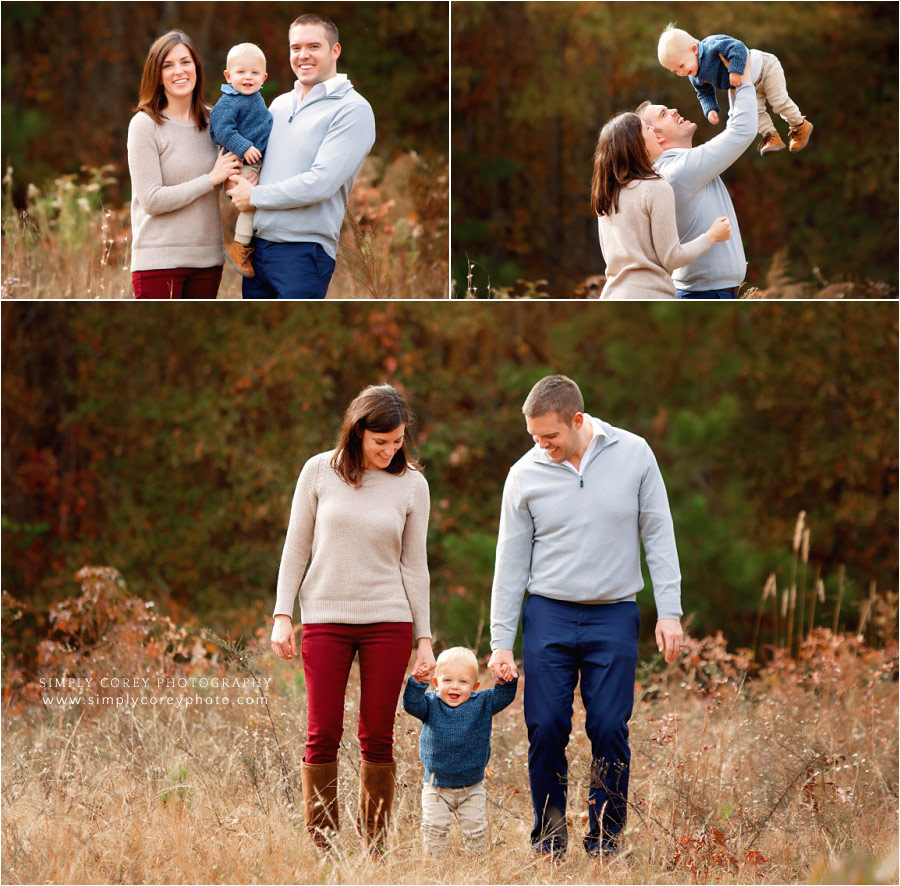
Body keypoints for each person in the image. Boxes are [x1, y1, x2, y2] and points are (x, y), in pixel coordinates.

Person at [488, 375, 684, 860]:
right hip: (549, 614)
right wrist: (500, 640)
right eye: (534, 437)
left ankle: (605, 842)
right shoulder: (524, 473)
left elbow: (659, 532)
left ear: (577, 420)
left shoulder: (634, 454)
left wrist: (670, 612)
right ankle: (550, 841)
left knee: (610, 727)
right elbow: (509, 562)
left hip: (614, 615)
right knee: (547, 725)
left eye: (549, 436)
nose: (542, 445)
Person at [270, 384, 436, 854]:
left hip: (389, 620)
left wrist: (424, 639)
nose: (390, 450)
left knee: (377, 734)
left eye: (398, 441)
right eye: (380, 442)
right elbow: (296, 545)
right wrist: (283, 614)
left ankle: (373, 851)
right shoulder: (319, 471)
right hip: (325, 617)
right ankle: (324, 848)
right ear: (358, 431)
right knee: (321, 731)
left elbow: (414, 564)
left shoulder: (412, 486)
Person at [228, 14, 376, 299]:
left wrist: (255, 197)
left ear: (335, 51)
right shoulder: (280, 104)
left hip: (303, 253)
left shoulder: (353, 109)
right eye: (295, 48)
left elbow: (321, 183)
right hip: (257, 250)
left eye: (313, 47)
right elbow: (260, 164)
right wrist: (244, 179)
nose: (302, 55)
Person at [127, 30, 243, 299]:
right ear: (156, 74)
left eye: (185, 62)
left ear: (197, 68)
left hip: (208, 262)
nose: (179, 71)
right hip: (158, 263)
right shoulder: (144, 125)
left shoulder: (216, 121)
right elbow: (151, 200)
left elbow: (232, 181)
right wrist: (210, 179)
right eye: (168, 65)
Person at [636, 65, 756, 299]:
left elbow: (737, 129)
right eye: (663, 114)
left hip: (708, 293)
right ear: (656, 136)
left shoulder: (680, 166)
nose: (673, 110)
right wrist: (743, 75)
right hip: (705, 295)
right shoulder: (679, 170)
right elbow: (742, 130)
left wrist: (733, 84)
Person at [591, 112, 731, 299]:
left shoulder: (608, 194)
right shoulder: (655, 187)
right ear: (639, 144)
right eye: (647, 128)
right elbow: (672, 258)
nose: (654, 131)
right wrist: (712, 236)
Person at [402, 647, 518, 856]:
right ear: (436, 683)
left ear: (474, 687)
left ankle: (477, 866)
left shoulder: (482, 703)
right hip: (436, 787)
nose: (454, 687)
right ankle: (434, 868)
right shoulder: (430, 703)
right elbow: (411, 705)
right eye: (447, 681)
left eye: (463, 682)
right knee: (433, 830)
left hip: (471, 787)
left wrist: (506, 678)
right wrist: (418, 683)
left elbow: (504, 696)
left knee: (476, 832)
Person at [657, 24, 813, 157]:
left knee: (778, 102)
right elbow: (704, 93)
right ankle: (771, 136)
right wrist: (710, 109)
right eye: (675, 71)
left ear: (694, 50)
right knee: (754, 112)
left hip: (764, 69)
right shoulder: (694, 76)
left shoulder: (712, 45)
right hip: (748, 86)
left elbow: (737, 47)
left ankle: (799, 125)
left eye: (681, 66)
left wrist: (735, 71)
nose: (681, 73)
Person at [209, 43, 274, 278]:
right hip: (239, 160)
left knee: (263, 199)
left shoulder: (255, 98)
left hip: (256, 160)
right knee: (251, 204)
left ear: (263, 77)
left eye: (254, 73)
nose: (248, 77)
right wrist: (244, 147)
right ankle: (240, 245)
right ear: (228, 76)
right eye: (241, 72)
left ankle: (254, 241)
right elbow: (222, 130)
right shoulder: (229, 101)